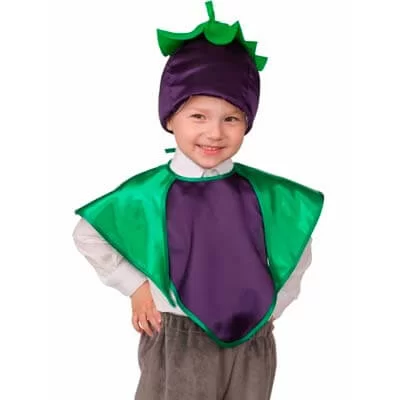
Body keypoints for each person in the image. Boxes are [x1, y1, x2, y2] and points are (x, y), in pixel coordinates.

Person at [73, 2, 324, 399]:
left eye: (231, 118)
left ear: (247, 123)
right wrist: (136, 287)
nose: (215, 133)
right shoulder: (148, 193)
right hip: (178, 337)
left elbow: (297, 250)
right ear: (170, 117)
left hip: (252, 344)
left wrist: (272, 308)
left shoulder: (269, 195)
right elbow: (88, 234)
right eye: (198, 116)